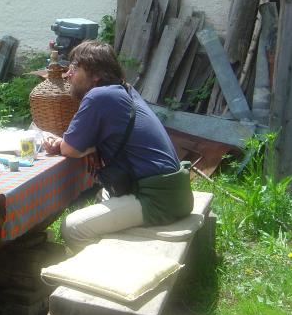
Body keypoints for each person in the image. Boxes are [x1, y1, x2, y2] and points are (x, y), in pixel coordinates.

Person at [43, 40, 193, 248]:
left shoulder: (99, 96)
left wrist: (62, 144)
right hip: (175, 192)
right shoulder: (125, 90)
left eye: (74, 67)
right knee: (102, 195)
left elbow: (70, 149)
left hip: (157, 199)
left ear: (96, 74)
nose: (68, 74)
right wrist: (82, 146)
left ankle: (109, 267)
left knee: (72, 227)